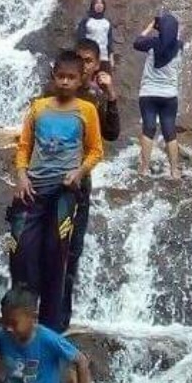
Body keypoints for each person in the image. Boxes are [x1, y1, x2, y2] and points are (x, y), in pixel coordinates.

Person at [10, 52, 103, 332]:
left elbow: (96, 149)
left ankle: (51, 326)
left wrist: (79, 173)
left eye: (71, 77)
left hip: (65, 191)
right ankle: (21, 315)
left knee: (57, 253)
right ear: (53, 76)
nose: (65, 82)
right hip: (34, 188)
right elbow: (24, 146)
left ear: (80, 80)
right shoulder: (38, 107)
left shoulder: (86, 110)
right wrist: (21, 176)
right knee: (22, 250)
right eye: (61, 76)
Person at [61, 39, 121, 328]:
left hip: (80, 183)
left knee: (73, 250)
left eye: (89, 61)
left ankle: (61, 318)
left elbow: (111, 135)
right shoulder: (57, 94)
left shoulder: (94, 100)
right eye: (80, 60)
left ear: (97, 65)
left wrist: (111, 96)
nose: (84, 66)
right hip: (50, 180)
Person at [133, 13, 183, 180]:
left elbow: (137, 42)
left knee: (148, 129)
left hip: (148, 94)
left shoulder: (152, 44)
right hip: (169, 96)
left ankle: (144, 168)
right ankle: (175, 171)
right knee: (170, 131)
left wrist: (150, 27)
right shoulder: (180, 46)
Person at [76, 0, 115, 68]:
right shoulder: (86, 21)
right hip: (89, 57)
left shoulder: (107, 22)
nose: (99, 5)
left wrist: (111, 58)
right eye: (97, 3)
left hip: (104, 57)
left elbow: (109, 42)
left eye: (101, 3)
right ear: (93, 5)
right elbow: (81, 38)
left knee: (103, 78)